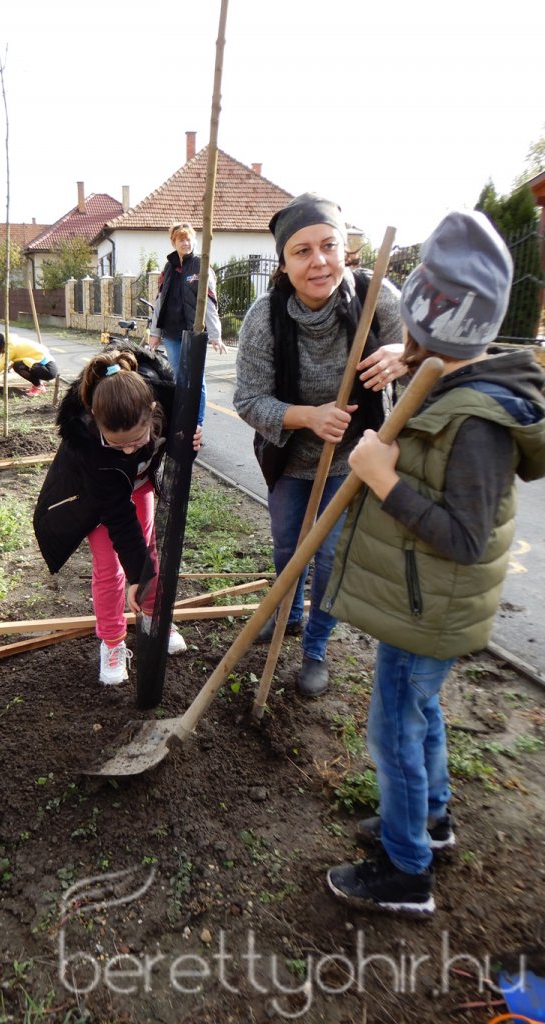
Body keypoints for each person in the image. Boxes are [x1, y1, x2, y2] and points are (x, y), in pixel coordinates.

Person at [324, 211, 545, 917]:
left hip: (431, 604)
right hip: (427, 602)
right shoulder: (450, 380)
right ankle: (433, 821)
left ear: (428, 319)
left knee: (394, 726)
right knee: (419, 712)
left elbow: (465, 537)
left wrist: (383, 478)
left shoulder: (477, 419)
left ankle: (406, 867)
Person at [233, 193, 405, 697]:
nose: (319, 261)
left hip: (354, 460)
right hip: (290, 459)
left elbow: (427, 358)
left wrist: (403, 354)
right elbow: (247, 400)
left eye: (328, 246)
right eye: (302, 251)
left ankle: (315, 648)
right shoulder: (264, 320)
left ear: (344, 248)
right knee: (290, 550)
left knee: (329, 557)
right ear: (284, 264)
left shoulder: (379, 300)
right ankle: (284, 612)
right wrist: (308, 416)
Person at [34, 346, 200, 685]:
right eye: (117, 444)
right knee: (110, 568)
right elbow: (117, 515)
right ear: (95, 418)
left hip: (139, 486)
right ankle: (111, 642)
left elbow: (176, 450)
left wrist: (187, 444)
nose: (127, 450)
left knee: (149, 548)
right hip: (98, 498)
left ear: (153, 412)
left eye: (137, 440)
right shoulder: (88, 443)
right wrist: (136, 575)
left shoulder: (169, 405)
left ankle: (155, 617)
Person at [148, 222, 226, 426]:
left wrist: (216, 334)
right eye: (181, 239)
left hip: (194, 334)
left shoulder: (201, 265)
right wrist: (154, 332)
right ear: (174, 242)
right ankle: (182, 421)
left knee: (196, 380)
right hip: (172, 334)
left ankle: (196, 424)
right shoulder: (169, 267)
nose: (186, 242)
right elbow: (160, 302)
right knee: (179, 379)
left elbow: (209, 302)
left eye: (189, 238)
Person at [0, 332, 58, 396]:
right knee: (17, 365)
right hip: (47, 366)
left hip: (48, 370)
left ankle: (39, 387)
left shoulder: (11, 346)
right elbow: (25, 355)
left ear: (1, 345)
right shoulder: (13, 340)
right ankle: (37, 385)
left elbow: (1, 365)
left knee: (18, 366)